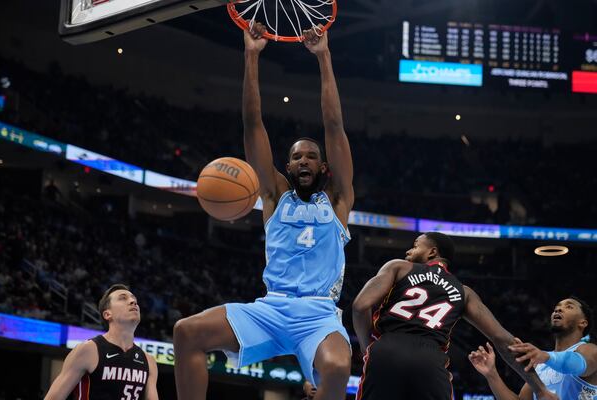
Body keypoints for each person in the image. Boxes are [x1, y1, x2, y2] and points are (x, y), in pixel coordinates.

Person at [173, 23, 354, 400]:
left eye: (311, 156)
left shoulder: (338, 200)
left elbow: (334, 125)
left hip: (318, 315)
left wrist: (323, 57)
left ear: (324, 168)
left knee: (337, 368)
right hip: (270, 308)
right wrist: (251, 55)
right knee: (186, 332)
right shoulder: (273, 196)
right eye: (295, 156)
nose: (303, 159)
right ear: (287, 168)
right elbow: (252, 123)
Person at [352, 232, 557, 400]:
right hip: (431, 359)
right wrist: (540, 389)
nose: (408, 250)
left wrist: (365, 345)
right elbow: (503, 340)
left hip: (387, 349)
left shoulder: (398, 266)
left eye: (415, 245)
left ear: (432, 252)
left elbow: (360, 306)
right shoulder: (464, 292)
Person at [44, 284, 159, 400]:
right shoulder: (87, 350)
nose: (133, 301)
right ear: (107, 314)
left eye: (134, 299)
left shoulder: (149, 361)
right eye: (123, 298)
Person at [469, 296, 597, 399]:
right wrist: (492, 374)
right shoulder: (541, 364)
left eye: (569, 307)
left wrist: (545, 356)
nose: (558, 310)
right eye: (556, 308)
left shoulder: (590, 350)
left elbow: (578, 364)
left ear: (583, 322)